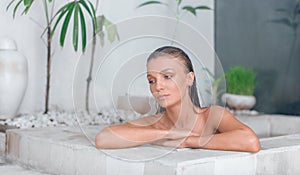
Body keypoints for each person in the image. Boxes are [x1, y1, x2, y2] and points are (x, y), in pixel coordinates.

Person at [95, 46, 261, 152]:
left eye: (167, 76)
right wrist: (167, 133)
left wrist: (189, 141)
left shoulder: (212, 116)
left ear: (189, 79)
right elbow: (104, 138)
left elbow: (250, 141)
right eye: (151, 80)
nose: (157, 86)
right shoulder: (156, 123)